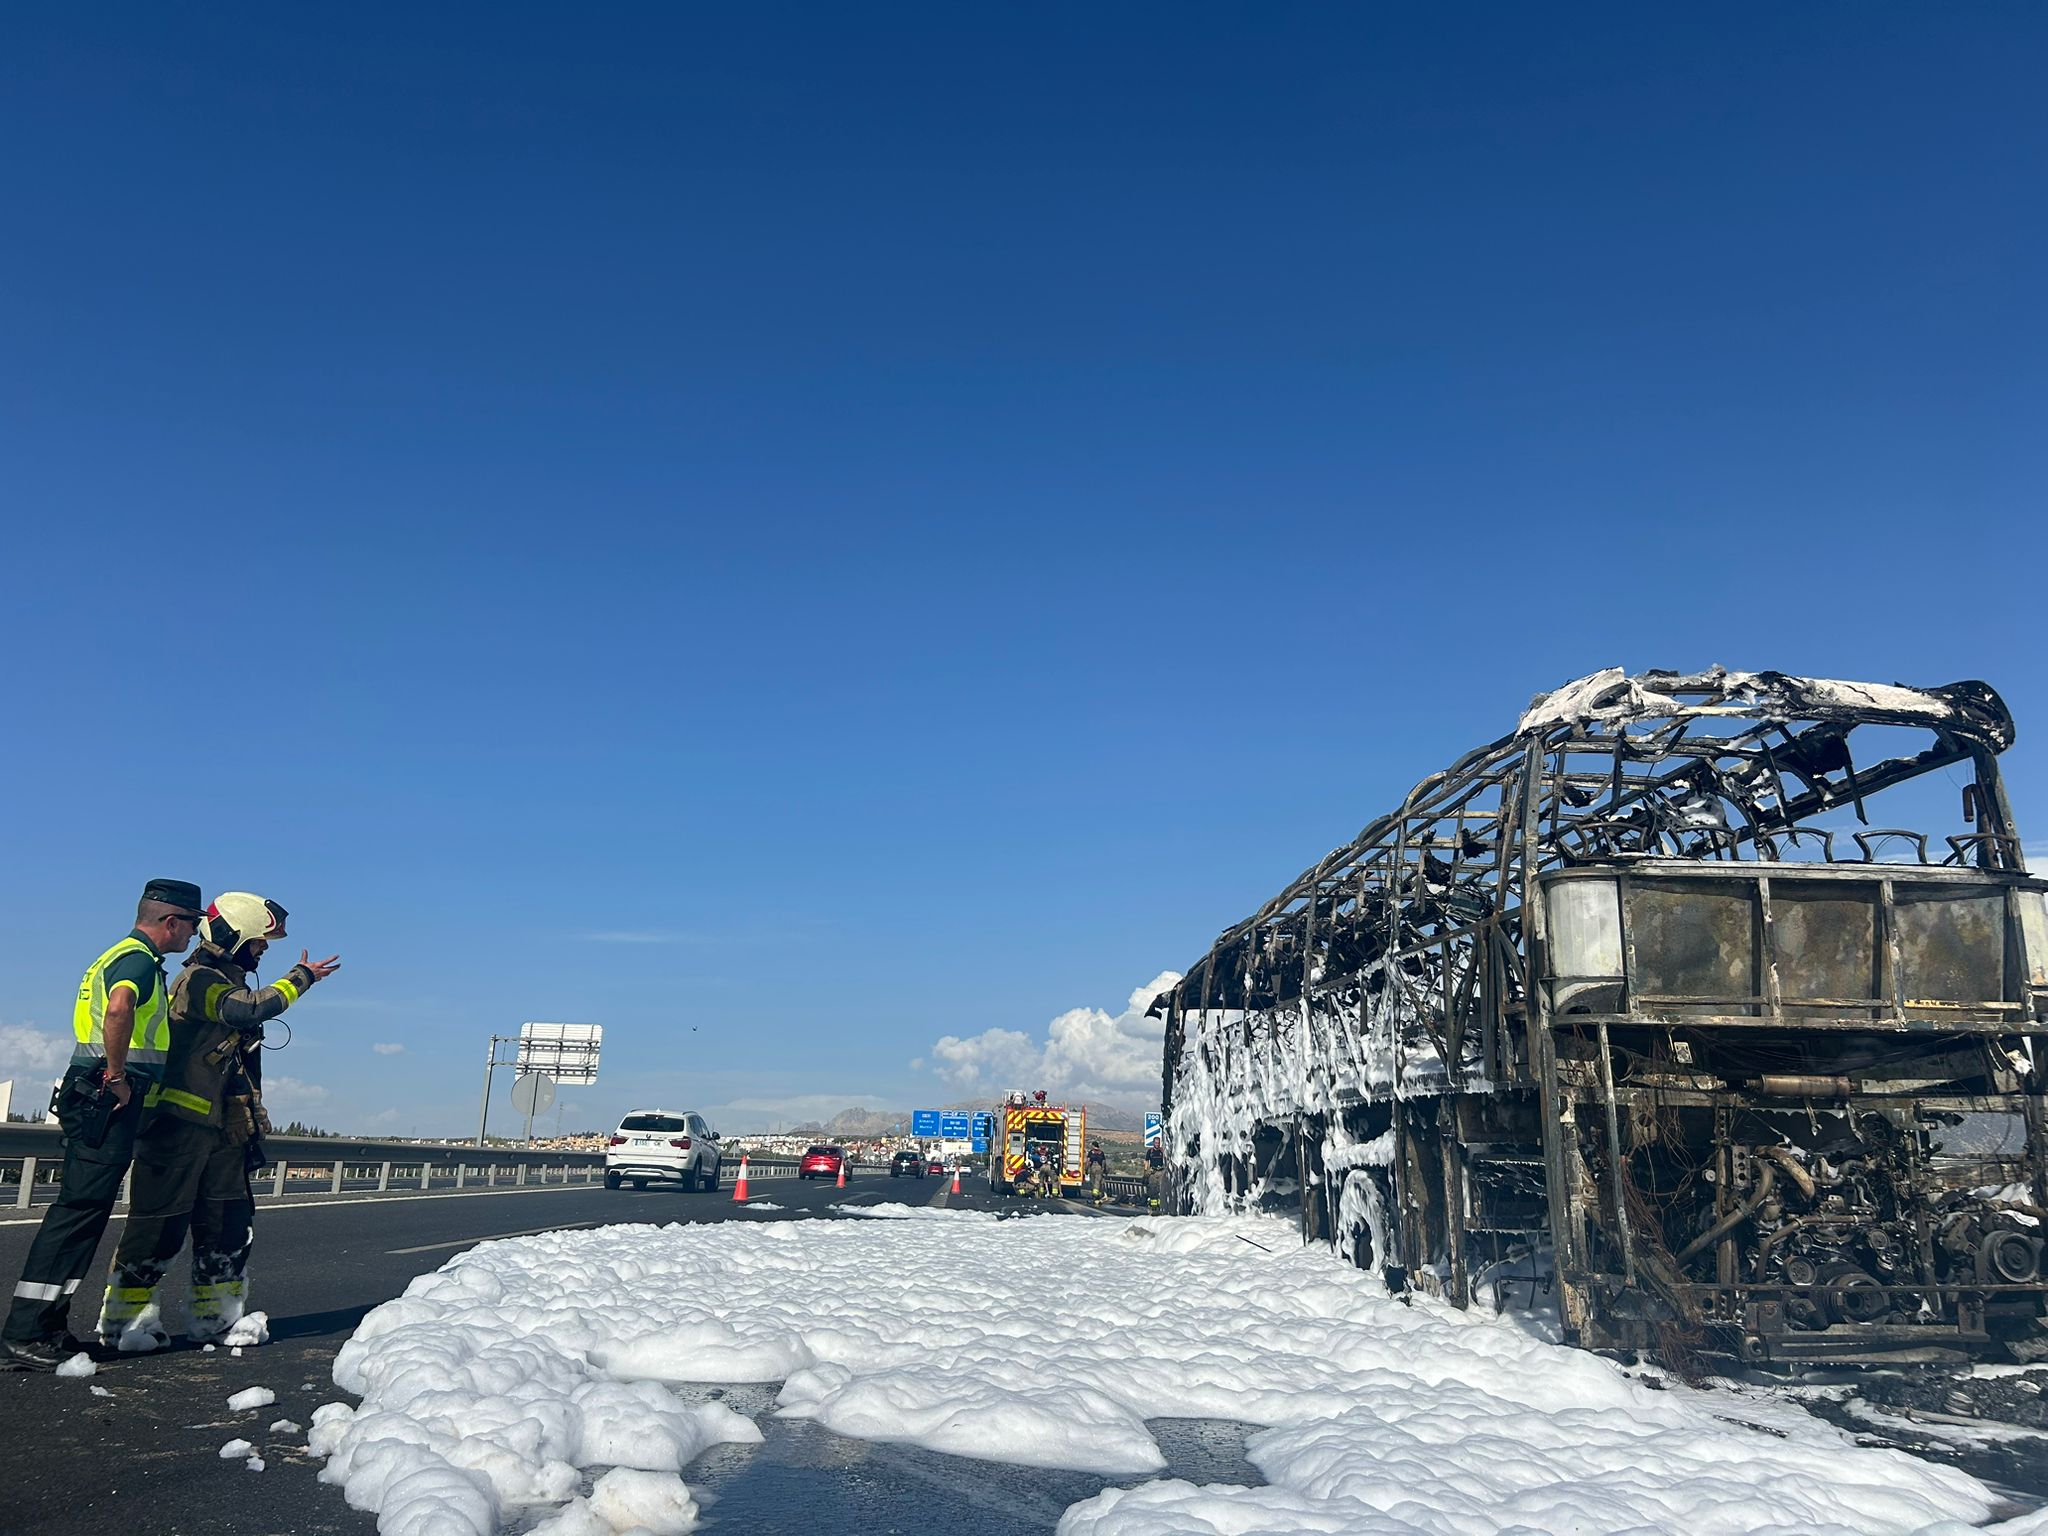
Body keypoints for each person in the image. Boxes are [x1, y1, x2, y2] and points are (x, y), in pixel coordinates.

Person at [97, 892, 338, 1351]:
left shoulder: (225, 980)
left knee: (227, 1223)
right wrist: (301, 978)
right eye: (258, 941)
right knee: (158, 1226)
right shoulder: (199, 980)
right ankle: (124, 1324)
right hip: (177, 1127)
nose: (262, 949)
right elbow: (245, 1009)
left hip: (224, 1129)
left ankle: (216, 1319)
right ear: (234, 938)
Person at [2, 879, 205, 1371]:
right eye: (192, 924)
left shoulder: (121, 955)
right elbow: (119, 1007)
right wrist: (116, 1077)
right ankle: (25, 1333)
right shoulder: (137, 959)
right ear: (170, 921)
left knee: (86, 1212)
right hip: (105, 1095)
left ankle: (49, 1327)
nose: (193, 935)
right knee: (77, 1212)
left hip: (96, 1094)